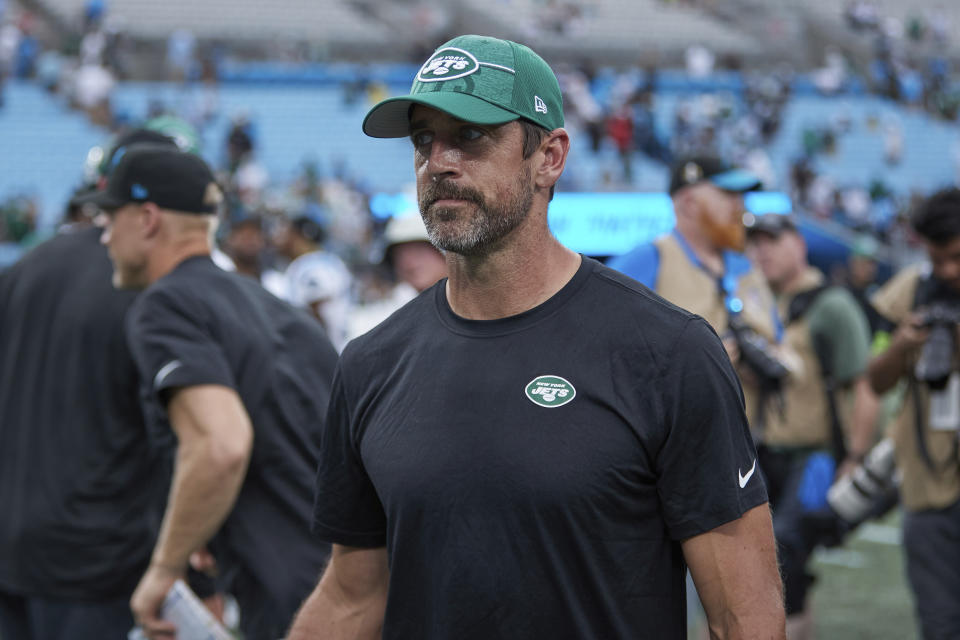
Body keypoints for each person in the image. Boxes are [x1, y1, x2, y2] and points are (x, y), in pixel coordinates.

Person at [289, 34, 785, 640]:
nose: (438, 160)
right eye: (424, 140)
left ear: (549, 156)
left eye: (471, 135)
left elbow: (745, 616)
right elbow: (352, 593)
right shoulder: (370, 364)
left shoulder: (667, 352)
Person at [79, 145, 338, 639]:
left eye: (110, 217)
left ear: (148, 219)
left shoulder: (166, 305)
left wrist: (164, 569)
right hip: (347, 585)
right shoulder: (271, 305)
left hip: (285, 598)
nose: (105, 235)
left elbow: (220, 445)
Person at [0, 180, 166, 640]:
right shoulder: (138, 282)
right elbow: (173, 433)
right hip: (92, 560)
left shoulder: (24, 268)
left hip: (13, 546)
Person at [745, 213, 879, 639]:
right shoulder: (757, 301)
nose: (762, 251)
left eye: (772, 240)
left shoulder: (832, 304)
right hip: (763, 451)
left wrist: (855, 458)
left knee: (786, 556)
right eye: (756, 243)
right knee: (767, 564)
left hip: (814, 455)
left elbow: (864, 385)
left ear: (798, 245)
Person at [607, 156, 780, 430]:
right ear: (689, 204)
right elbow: (606, 354)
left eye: (741, 197)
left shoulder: (747, 269)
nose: (741, 206)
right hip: (669, 446)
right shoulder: (649, 260)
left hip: (746, 445)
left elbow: (778, 341)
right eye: (728, 195)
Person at [868, 188, 960, 640]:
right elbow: (876, 380)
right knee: (939, 624)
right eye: (937, 258)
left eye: (957, 257)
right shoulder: (912, 288)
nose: (948, 271)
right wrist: (901, 346)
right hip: (927, 484)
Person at [275, 214, 353, 351]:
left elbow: (317, 316)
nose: (281, 238)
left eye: (287, 232)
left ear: (298, 236)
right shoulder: (328, 261)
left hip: (323, 353)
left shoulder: (311, 266)